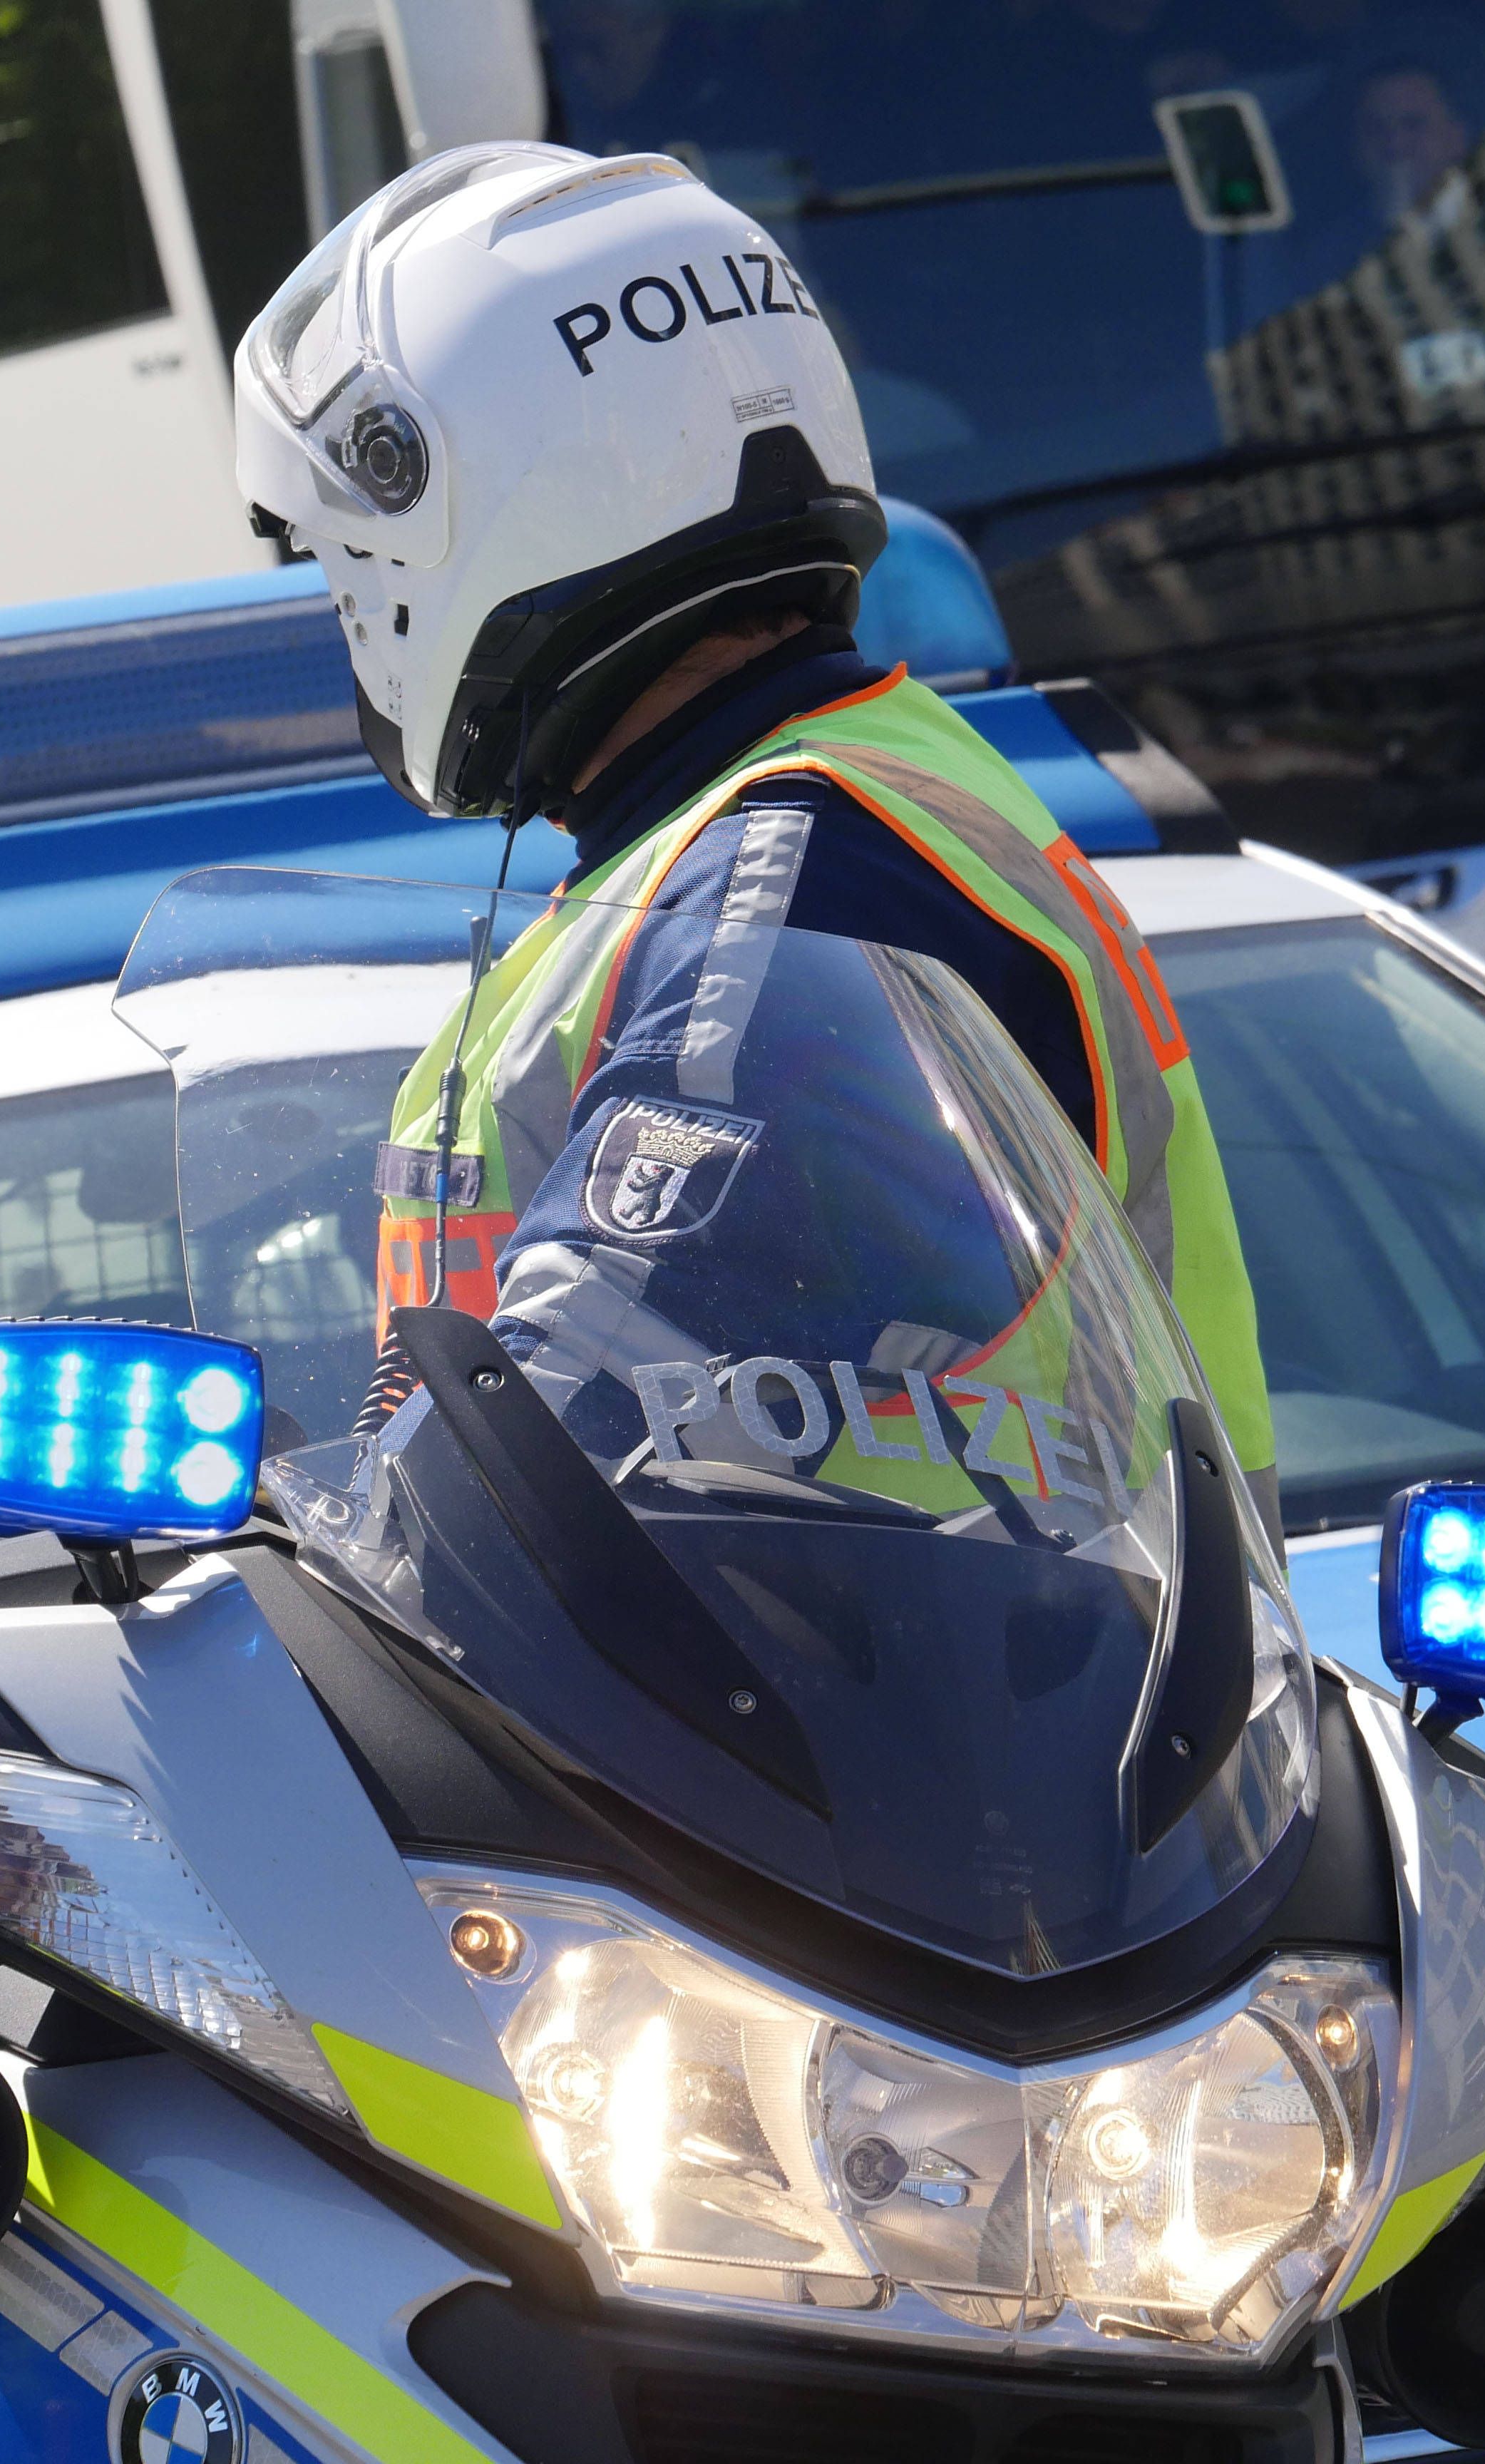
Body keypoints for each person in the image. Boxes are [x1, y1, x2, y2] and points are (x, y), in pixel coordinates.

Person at [230, 140, 1280, 1526]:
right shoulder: (811, 820)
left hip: (897, 1715)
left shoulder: (795, 870)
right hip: (938, 1697)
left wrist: (356, 1523)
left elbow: (601, 1360)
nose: (349, 625)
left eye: (343, 568)